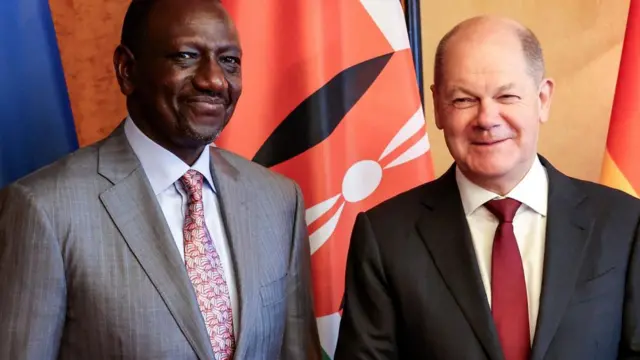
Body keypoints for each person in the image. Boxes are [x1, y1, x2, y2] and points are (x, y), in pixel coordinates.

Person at [0, 0, 321, 358]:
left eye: (229, 61)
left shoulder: (278, 200)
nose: (214, 80)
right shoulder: (44, 210)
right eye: (186, 56)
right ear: (126, 70)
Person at [335, 15, 640, 360]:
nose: (487, 119)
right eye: (464, 100)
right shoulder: (385, 236)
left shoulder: (625, 223)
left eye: (507, 96)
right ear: (437, 106)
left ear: (542, 99)